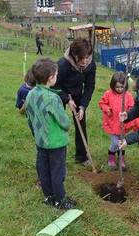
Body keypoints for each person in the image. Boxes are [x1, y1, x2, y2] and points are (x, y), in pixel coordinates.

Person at [24, 58, 76, 210]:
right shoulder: (53, 98)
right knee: (57, 171)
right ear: (50, 78)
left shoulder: (30, 94)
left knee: (43, 169)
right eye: (57, 75)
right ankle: (60, 199)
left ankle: (49, 197)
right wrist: (67, 124)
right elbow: (64, 122)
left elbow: (29, 117)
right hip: (56, 142)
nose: (57, 77)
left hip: (40, 141)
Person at [54, 38, 96, 166]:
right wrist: (66, 99)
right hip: (60, 92)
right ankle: (56, 154)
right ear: (74, 54)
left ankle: (81, 156)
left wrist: (82, 106)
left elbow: (89, 86)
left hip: (77, 93)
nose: (84, 61)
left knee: (80, 121)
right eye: (81, 58)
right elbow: (54, 86)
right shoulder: (62, 64)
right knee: (57, 123)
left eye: (87, 57)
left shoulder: (90, 64)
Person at [98, 72, 139, 170]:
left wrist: (128, 113)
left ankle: (121, 159)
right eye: (117, 87)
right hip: (112, 124)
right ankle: (111, 158)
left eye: (122, 87)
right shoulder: (108, 94)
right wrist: (107, 109)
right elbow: (102, 103)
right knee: (115, 143)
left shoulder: (128, 96)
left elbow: (132, 108)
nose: (119, 89)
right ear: (113, 85)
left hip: (123, 125)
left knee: (122, 143)